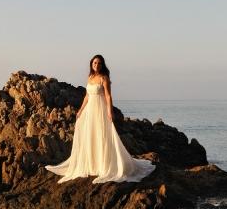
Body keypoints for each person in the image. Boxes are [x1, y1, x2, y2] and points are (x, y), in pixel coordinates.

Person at [45, 54, 156, 184]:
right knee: (90, 135)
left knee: (102, 135)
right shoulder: (90, 77)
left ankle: (104, 164)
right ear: (91, 65)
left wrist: (110, 111)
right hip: (90, 111)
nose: (96, 65)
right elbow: (87, 96)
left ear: (102, 65)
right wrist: (80, 110)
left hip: (100, 110)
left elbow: (108, 96)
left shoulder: (104, 78)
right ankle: (93, 163)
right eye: (94, 63)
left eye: (99, 63)